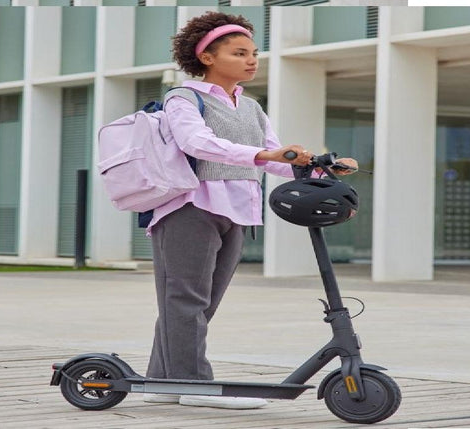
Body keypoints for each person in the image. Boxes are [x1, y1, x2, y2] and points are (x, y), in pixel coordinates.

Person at [143, 12, 359, 410]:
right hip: (190, 207)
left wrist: (319, 166)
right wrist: (262, 153)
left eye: (254, 53)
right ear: (206, 57)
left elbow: (273, 160)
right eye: (239, 53)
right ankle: (194, 386)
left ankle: (164, 380)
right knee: (185, 299)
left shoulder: (252, 108)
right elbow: (197, 143)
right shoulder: (183, 98)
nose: (251, 60)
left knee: (200, 302)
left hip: (238, 209)